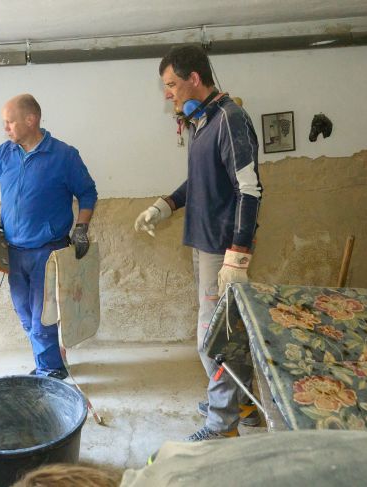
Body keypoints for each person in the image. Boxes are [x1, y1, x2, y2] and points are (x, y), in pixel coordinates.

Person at [133, 45, 262, 440]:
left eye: (172, 84)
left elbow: (249, 188)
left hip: (221, 248)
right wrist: (165, 205)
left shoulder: (230, 119)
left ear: (194, 78)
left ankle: (222, 423)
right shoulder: (201, 123)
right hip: (203, 243)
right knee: (224, 331)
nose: (167, 93)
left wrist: (238, 255)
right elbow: (201, 181)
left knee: (213, 340)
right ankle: (242, 405)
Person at [0, 94, 98, 379]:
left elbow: (88, 193)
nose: (5, 128)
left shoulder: (64, 156)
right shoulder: (3, 153)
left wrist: (81, 229)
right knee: (25, 314)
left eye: (9, 122)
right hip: (12, 250)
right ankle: (52, 359)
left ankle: (50, 373)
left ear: (31, 120)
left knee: (42, 319)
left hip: (48, 251)